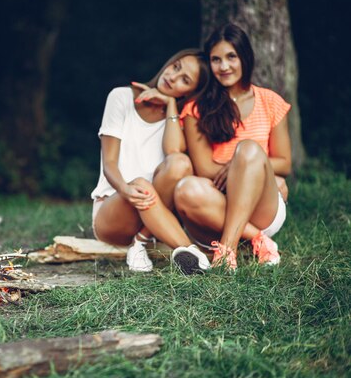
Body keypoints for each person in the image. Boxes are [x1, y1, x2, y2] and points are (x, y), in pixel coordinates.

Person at [171, 23, 292, 274]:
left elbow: (284, 162)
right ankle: (256, 240)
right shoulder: (196, 108)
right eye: (216, 59)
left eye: (231, 57)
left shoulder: (270, 101)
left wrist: (246, 165)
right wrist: (237, 168)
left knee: (247, 149)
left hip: (260, 206)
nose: (224, 67)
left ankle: (226, 251)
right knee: (185, 190)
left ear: (244, 57)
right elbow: (204, 167)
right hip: (212, 207)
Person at [91, 49, 209, 272]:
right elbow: (109, 164)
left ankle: (139, 242)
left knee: (180, 163)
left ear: (191, 92)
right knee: (141, 185)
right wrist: (125, 189)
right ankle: (193, 253)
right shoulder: (121, 97)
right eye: (176, 67)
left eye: (185, 80)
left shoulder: (180, 120)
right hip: (115, 208)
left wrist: (170, 105)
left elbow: (174, 153)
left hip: (154, 212)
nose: (173, 77)